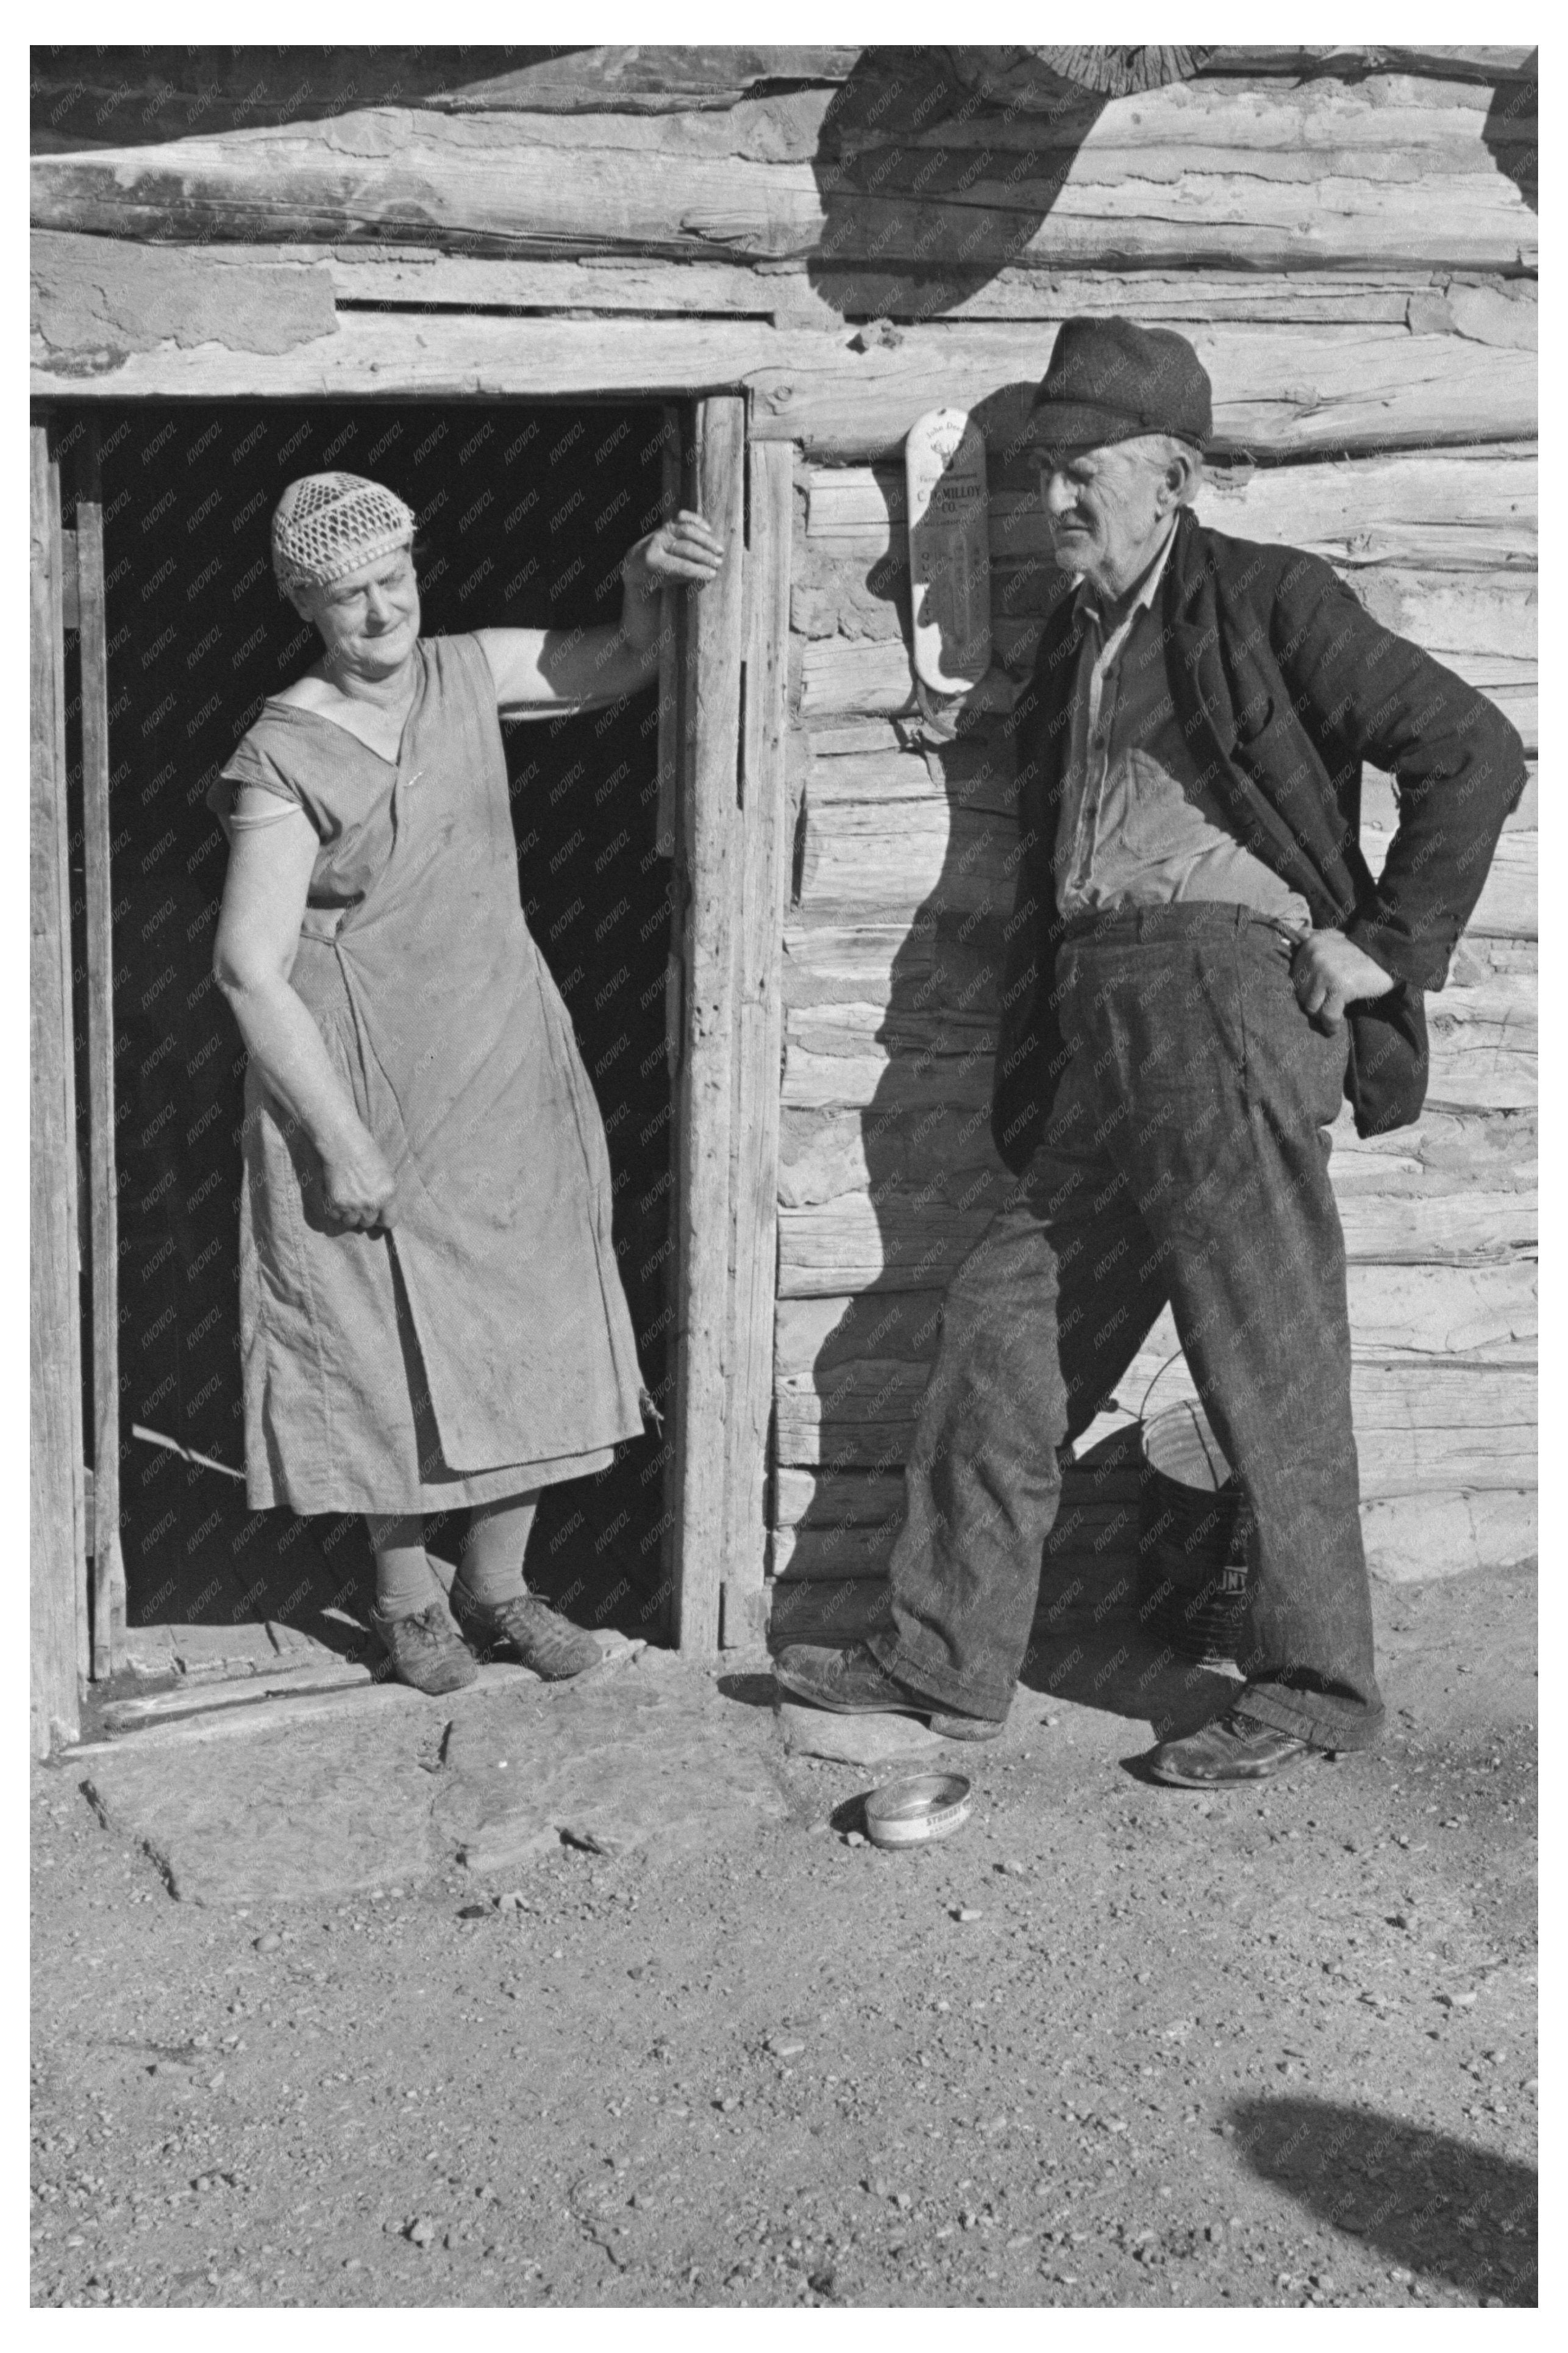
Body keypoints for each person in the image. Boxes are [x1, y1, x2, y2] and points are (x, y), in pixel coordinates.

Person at [774, 317, 1526, 1787]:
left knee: (1262, 1344)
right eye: (1044, 470)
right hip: (1101, 1021)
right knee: (1002, 1328)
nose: (1057, 497)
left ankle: (1313, 1684)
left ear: (1174, 475)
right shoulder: (1074, 643)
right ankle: (941, 1656)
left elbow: (1471, 749)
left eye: (1085, 469)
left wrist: (1378, 943)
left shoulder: (1267, 597)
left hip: (1225, 1000)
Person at [208, 471, 722, 1694]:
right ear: (302, 604)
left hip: (497, 1055)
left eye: (393, 581)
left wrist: (639, 587)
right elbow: (245, 968)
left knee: (526, 1313)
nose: (379, 613)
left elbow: (611, 666)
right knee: (377, 1333)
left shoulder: (461, 670)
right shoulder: (281, 751)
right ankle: (406, 1601)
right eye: (345, 598)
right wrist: (337, 1140)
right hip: (362, 1074)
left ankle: (501, 1590)